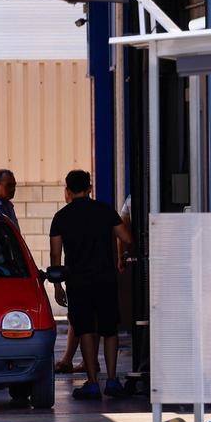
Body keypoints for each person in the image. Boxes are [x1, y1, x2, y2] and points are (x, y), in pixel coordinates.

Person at [49, 170, 132, 400]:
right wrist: (123, 256)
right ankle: (113, 380)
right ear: (90, 188)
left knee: (85, 327)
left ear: (67, 190)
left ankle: (93, 383)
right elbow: (126, 237)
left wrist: (57, 286)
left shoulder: (61, 217)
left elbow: (55, 255)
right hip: (105, 278)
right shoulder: (105, 211)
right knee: (110, 328)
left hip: (78, 281)